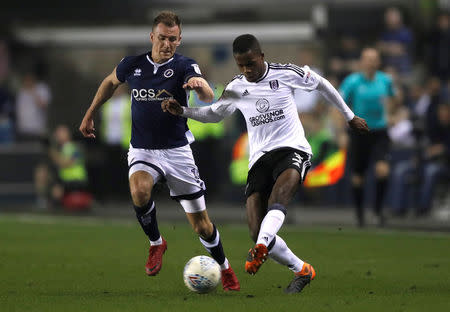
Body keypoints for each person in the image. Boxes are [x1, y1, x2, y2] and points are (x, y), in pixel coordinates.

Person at [162, 34, 369, 294]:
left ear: (261, 56)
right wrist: (183, 111)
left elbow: (322, 84)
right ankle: (302, 270)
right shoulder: (236, 87)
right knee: (257, 229)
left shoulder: (286, 74)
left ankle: (260, 248)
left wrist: (350, 117)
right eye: (241, 65)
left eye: (250, 63)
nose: (247, 70)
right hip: (260, 158)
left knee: (278, 199)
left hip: (293, 149)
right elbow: (214, 114)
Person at [79, 11, 240, 291]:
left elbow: (207, 96)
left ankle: (225, 268)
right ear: (152, 36)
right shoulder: (133, 65)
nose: (167, 44)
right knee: (139, 190)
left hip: (177, 151)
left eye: (173, 39)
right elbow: (108, 83)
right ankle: (156, 243)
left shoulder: (185, 65)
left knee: (201, 225)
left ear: (179, 40)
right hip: (143, 149)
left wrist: (199, 86)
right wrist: (91, 112)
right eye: (162, 38)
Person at [339, 48, 399, 227]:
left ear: (378, 62)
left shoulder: (385, 80)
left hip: (379, 131)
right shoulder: (352, 81)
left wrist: (391, 113)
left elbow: (394, 98)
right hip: (359, 132)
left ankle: (378, 211)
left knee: (383, 170)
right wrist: (342, 130)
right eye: (368, 59)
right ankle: (360, 215)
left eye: (374, 59)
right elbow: (339, 103)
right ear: (362, 62)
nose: (371, 62)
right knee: (358, 176)